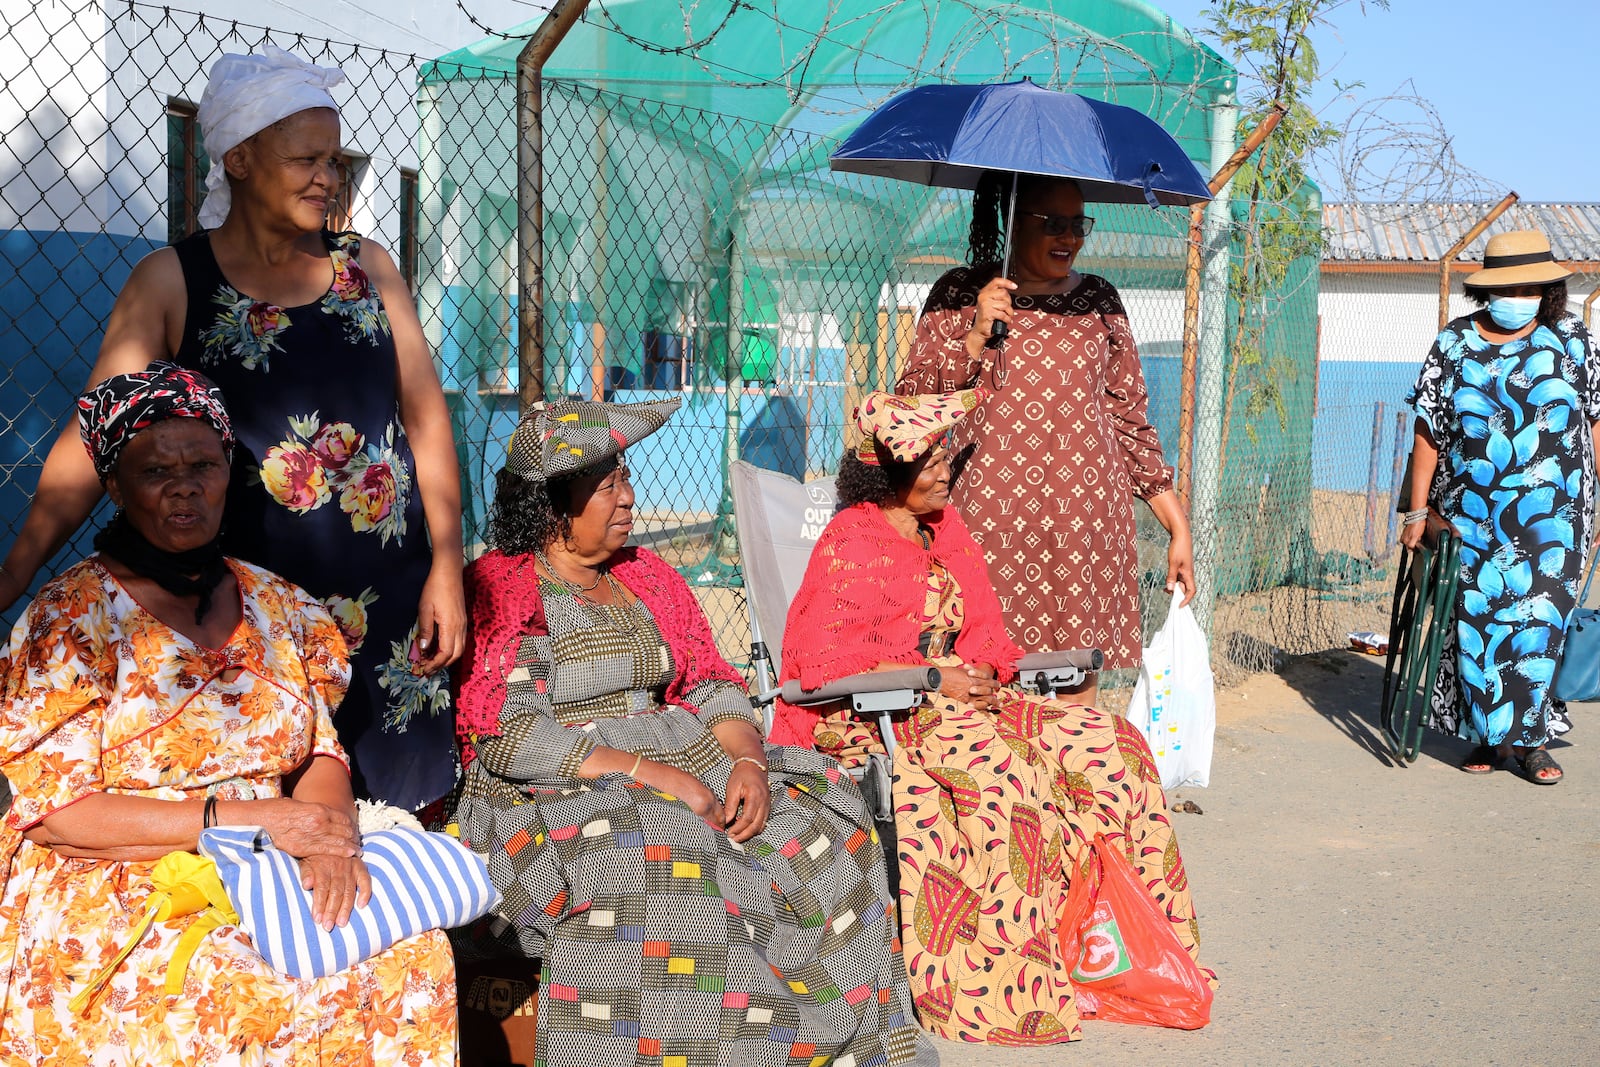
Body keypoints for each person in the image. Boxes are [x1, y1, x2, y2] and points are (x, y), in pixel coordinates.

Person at [0, 47, 463, 811]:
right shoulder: (172, 281)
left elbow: (425, 420)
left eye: (335, 160)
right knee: (274, 817)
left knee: (397, 815)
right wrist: (16, 572)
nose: (328, 178)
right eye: (305, 159)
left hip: (387, 594)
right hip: (252, 621)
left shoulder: (370, 268)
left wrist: (447, 561)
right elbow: (95, 439)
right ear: (240, 159)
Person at [448, 398, 935, 1067]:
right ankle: (752, 1047)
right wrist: (649, 775)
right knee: (669, 841)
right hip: (554, 791)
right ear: (555, 503)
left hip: (691, 764)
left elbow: (709, 682)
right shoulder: (510, 587)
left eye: (626, 477)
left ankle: (859, 1041)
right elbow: (508, 733)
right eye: (608, 484)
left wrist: (749, 763)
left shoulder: (645, 575)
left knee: (820, 819)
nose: (629, 495)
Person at [0, 364, 457, 1063]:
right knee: (235, 991)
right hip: (128, 881)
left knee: (410, 956)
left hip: (271, 859)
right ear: (116, 488)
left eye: (203, 465)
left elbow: (317, 751)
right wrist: (247, 821)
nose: (185, 485)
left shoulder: (276, 605)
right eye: (156, 470)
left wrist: (331, 839)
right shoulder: (71, 620)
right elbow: (59, 813)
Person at [771, 390, 1211, 1046]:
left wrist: (977, 674)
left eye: (945, 452)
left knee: (1112, 745)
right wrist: (934, 676)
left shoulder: (945, 531)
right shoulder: (850, 541)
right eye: (928, 459)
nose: (946, 467)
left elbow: (985, 639)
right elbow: (820, 660)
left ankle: (1132, 953)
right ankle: (1014, 984)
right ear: (888, 475)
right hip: (876, 712)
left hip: (963, 700)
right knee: (1006, 770)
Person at [896, 171, 1191, 698]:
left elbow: (1129, 419)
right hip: (989, 529)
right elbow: (912, 405)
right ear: (1013, 221)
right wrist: (974, 336)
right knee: (987, 686)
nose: (1070, 238)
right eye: (1054, 223)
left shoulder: (1100, 301)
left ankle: (1080, 780)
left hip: (1085, 530)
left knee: (1079, 695)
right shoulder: (959, 295)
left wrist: (1175, 524)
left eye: (1079, 224)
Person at [1403, 230, 1598, 785]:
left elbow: (1596, 419)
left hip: (1555, 518)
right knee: (1478, 625)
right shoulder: (1454, 344)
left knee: (1539, 623)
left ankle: (1533, 742)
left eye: (1531, 286)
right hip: (1471, 516)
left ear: (1546, 289)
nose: (1521, 295)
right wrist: (1417, 514)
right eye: (1509, 286)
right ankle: (1488, 736)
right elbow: (1428, 432)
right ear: (1486, 290)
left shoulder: (1572, 340)